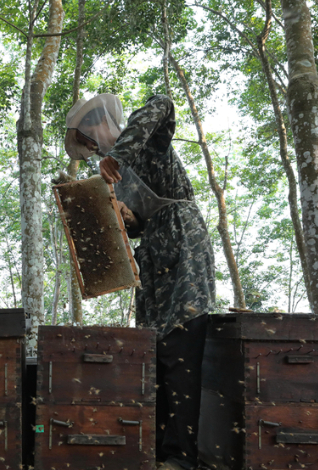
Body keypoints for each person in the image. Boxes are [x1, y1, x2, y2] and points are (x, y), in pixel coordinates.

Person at [65, 94, 216, 470]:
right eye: (87, 147)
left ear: (99, 124)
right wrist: (127, 218)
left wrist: (119, 155)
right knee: (155, 351)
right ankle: (162, 452)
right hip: (152, 257)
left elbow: (162, 103)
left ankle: (182, 457)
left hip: (184, 247)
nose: (92, 150)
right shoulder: (114, 177)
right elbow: (136, 224)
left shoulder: (148, 142)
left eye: (89, 141)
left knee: (181, 346)